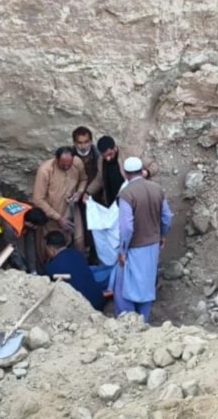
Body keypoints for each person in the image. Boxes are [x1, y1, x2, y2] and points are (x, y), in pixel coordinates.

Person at [114, 157, 173, 323]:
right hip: (152, 246)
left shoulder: (126, 194)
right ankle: (144, 321)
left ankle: (127, 322)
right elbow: (167, 217)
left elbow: (127, 227)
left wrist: (123, 250)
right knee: (146, 285)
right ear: (141, 171)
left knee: (125, 286)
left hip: (133, 247)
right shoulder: (157, 189)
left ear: (125, 174)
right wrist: (162, 235)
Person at [32, 146, 88, 270]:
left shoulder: (77, 163)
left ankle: (80, 269)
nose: (67, 167)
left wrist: (79, 192)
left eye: (69, 164)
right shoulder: (45, 171)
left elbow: (83, 179)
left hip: (71, 209)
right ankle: (47, 272)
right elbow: (38, 199)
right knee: (50, 247)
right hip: (51, 214)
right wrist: (58, 218)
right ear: (56, 159)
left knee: (78, 240)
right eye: (63, 164)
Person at [0, 194, 48, 273]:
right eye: (36, 227)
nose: (36, 229)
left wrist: (33, 270)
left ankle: (1, 270)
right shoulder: (10, 226)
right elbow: (11, 250)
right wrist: (22, 269)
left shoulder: (30, 213)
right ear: (30, 224)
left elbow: (30, 246)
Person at [85, 135, 159, 207]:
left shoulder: (130, 152)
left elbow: (154, 165)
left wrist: (147, 172)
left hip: (133, 199)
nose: (108, 158)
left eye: (110, 154)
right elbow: (99, 179)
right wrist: (88, 192)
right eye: (105, 156)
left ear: (115, 147)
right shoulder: (101, 161)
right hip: (113, 203)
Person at [43, 230, 106, 311]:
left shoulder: (51, 267)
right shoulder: (78, 254)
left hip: (82, 309)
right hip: (98, 302)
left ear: (51, 249)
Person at [72, 126, 102, 264]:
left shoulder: (99, 156)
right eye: (80, 142)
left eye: (86, 142)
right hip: (75, 199)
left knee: (96, 229)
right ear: (74, 143)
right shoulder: (69, 156)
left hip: (96, 198)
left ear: (90, 141)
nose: (83, 146)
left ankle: (95, 257)